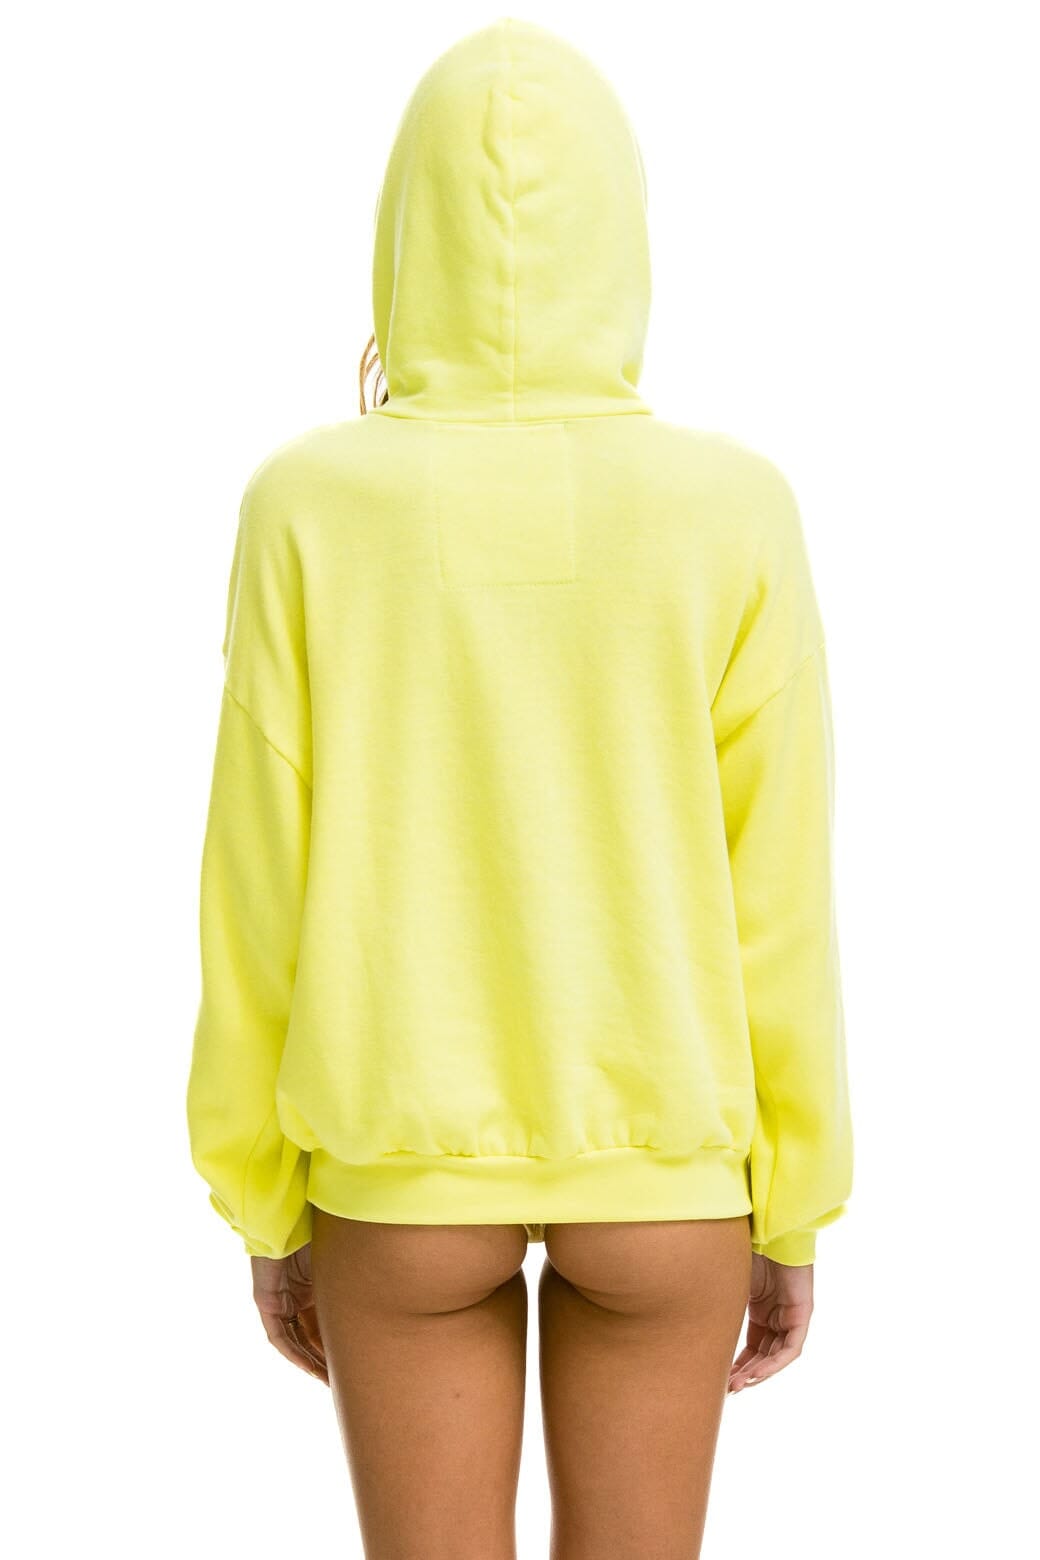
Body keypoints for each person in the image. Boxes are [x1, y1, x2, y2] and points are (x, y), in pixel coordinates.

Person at [186, 16, 854, 1558]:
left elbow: (254, 877)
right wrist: (795, 1198)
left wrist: (262, 1193)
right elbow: (781, 890)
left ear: (401, 232)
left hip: (395, 1166)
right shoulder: (735, 509)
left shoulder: (305, 507)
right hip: (668, 1172)